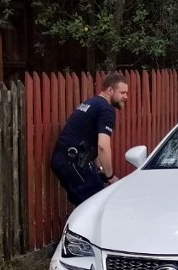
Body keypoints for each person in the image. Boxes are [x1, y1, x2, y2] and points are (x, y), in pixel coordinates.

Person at [50, 72, 129, 206]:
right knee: (97, 205)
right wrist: (110, 177)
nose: (126, 97)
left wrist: (100, 168)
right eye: (122, 93)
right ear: (110, 90)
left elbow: (90, 141)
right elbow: (103, 145)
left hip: (63, 160)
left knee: (87, 205)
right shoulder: (106, 110)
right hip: (73, 163)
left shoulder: (91, 103)